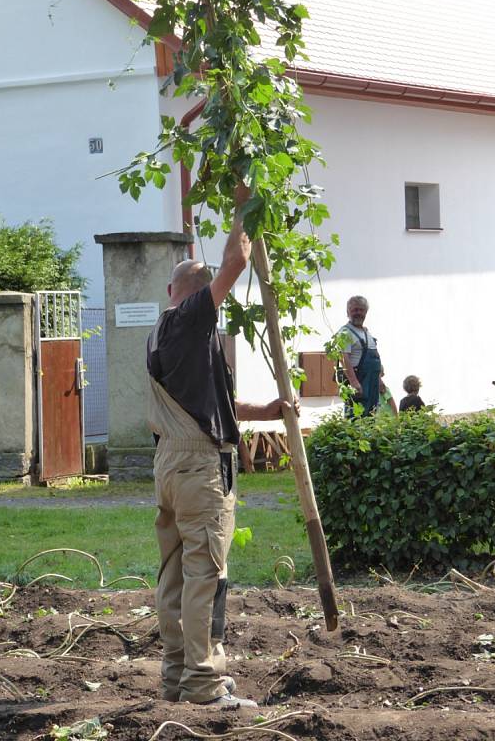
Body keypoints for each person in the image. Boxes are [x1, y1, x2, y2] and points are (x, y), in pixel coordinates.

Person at [146, 187, 295, 708]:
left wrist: (267, 412)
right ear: (194, 296)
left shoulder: (163, 333)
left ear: (169, 288)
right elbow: (235, 260)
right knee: (206, 575)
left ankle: (177, 678)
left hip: (170, 464)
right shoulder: (190, 320)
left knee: (174, 576)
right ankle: (206, 684)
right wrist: (244, 204)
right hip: (198, 470)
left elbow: (211, 406)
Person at [338, 296, 383, 417]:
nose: (358, 313)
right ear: (348, 312)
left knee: (371, 415)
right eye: (354, 310)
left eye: (361, 310)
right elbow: (343, 358)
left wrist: (379, 380)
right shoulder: (345, 332)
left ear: (366, 312)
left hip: (372, 382)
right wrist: (353, 382)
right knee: (356, 416)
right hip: (359, 381)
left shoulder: (366, 332)